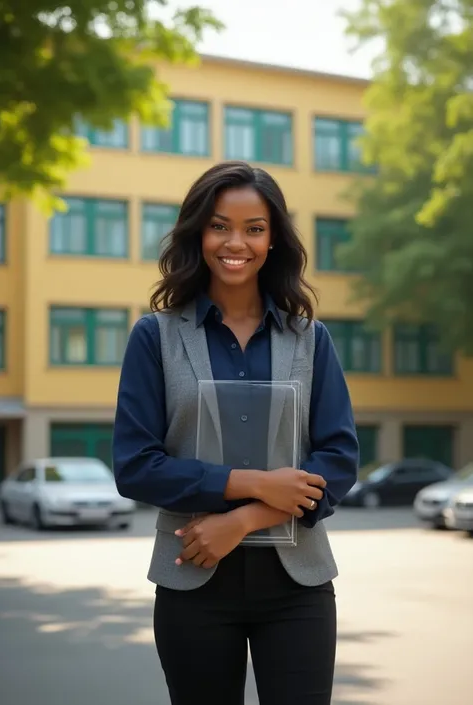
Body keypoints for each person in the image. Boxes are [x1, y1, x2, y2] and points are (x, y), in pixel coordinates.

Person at [112, 161, 359, 705]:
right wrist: (256, 482)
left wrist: (246, 517)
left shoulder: (310, 339)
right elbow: (136, 465)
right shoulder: (154, 336)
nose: (236, 243)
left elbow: (338, 461)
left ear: (274, 240)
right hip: (192, 577)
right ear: (198, 232)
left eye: (254, 228)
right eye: (220, 225)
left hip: (298, 586)